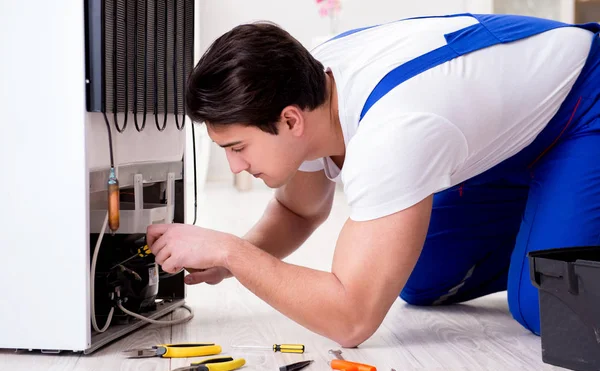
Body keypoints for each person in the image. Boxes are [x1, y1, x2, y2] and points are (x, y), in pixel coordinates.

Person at [146, 12, 600, 347]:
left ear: (289, 121)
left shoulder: (391, 134)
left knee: (551, 306)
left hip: (582, 99)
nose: (235, 167)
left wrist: (231, 250)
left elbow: (351, 319)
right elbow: (298, 209)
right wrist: (228, 263)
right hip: (510, 133)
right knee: (423, 278)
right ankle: (548, 221)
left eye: (237, 148)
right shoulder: (306, 85)